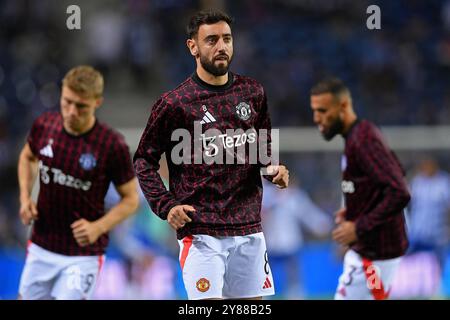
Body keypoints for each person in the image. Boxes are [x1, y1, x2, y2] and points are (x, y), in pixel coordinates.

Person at [133, 10, 289, 300]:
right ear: (193, 47)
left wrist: (272, 168)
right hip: (202, 232)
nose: (221, 47)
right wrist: (166, 206)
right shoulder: (174, 104)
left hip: (249, 228)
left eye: (227, 39)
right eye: (212, 40)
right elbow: (143, 160)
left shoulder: (253, 92)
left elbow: (263, 145)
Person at [17, 65, 139, 300]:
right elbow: (27, 156)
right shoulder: (45, 126)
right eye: (67, 102)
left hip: (83, 256)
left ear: (97, 102)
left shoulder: (112, 145)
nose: (71, 111)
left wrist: (98, 227)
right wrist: (24, 197)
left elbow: (131, 199)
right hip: (42, 246)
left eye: (81, 106)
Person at [310, 77, 411, 300]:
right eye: (315, 111)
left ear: (343, 106)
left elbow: (399, 191)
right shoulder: (359, 136)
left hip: (375, 255)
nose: (317, 118)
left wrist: (358, 226)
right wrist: (356, 208)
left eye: (323, 111)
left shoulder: (362, 140)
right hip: (370, 251)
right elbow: (396, 171)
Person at [261, 178, 332, 299]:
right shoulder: (265, 196)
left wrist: (321, 224)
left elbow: (308, 213)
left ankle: (295, 296)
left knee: (294, 280)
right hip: (270, 245)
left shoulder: (294, 197)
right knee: (264, 278)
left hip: (290, 244)